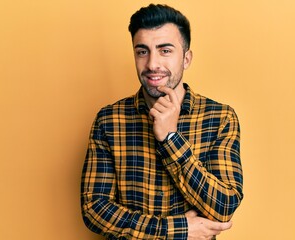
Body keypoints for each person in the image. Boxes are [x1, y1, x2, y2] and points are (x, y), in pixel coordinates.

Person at [81, 4, 243, 240]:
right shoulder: (109, 120)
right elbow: (95, 208)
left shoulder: (219, 118)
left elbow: (224, 206)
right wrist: (178, 230)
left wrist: (170, 138)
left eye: (165, 50)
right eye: (142, 51)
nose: (152, 64)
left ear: (186, 58)